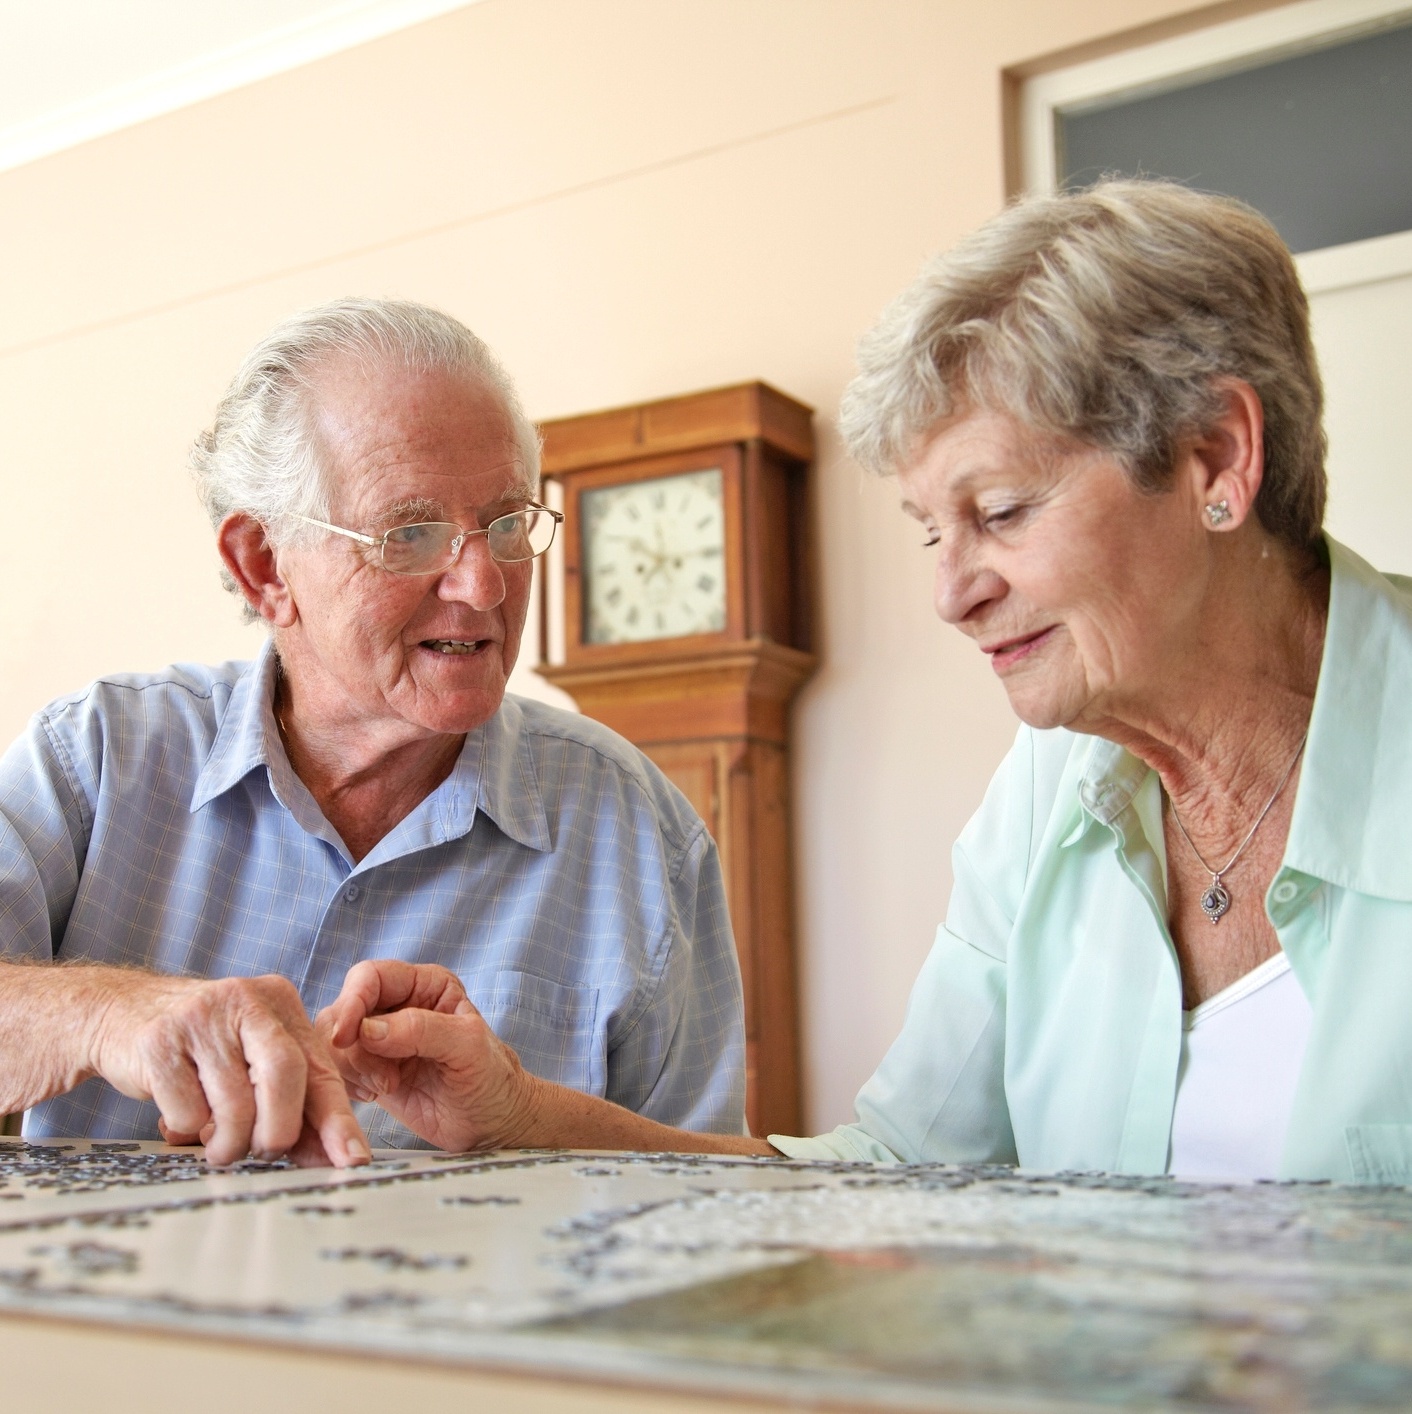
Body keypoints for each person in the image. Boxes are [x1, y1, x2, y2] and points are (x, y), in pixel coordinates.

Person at [346, 179, 1412, 1184]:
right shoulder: (1050, 785)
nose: (950, 595)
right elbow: (902, 1179)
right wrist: (526, 1118)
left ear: (1216, 458)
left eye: (997, 512)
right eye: (929, 533)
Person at [0, 299, 745, 1166]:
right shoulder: (98, 758)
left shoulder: (639, 832)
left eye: (507, 524)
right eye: (410, 532)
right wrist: (107, 1014)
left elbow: (705, 1196)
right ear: (265, 566)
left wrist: (527, 1114)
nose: (483, 585)